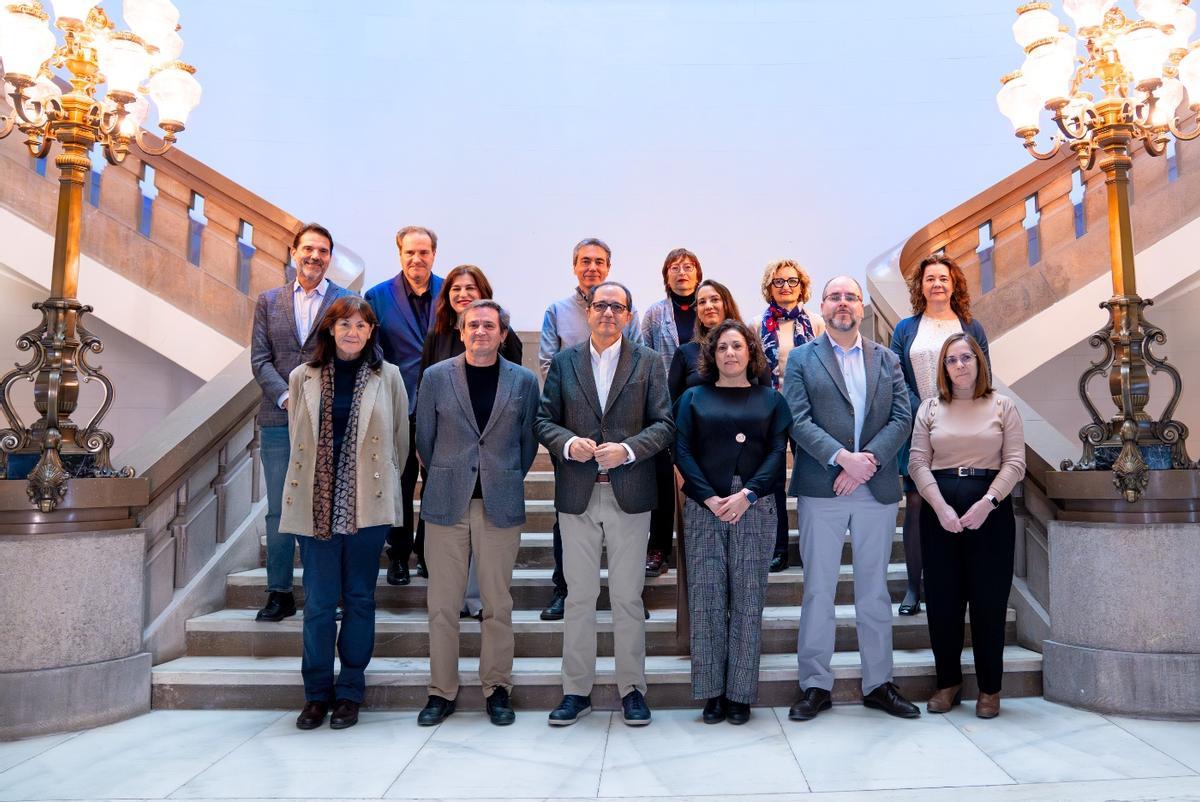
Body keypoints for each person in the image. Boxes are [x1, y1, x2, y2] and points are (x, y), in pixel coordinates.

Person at [535, 281, 673, 727]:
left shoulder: (649, 363)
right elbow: (543, 419)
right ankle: (576, 690)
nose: (608, 312)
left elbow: (665, 424)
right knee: (579, 597)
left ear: (629, 315)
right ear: (588, 312)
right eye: (601, 305)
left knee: (628, 597)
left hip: (629, 494)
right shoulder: (563, 361)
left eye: (617, 306)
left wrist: (629, 450)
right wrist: (568, 442)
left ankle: (632, 688)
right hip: (577, 494)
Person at [785, 276, 919, 722]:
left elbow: (903, 415)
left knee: (874, 591)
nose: (843, 303)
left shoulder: (887, 359)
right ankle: (814, 685)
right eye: (835, 296)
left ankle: (878, 683)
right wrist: (842, 459)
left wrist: (869, 461)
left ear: (861, 308)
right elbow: (797, 419)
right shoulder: (802, 359)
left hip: (875, 487)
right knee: (818, 590)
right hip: (822, 488)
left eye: (851, 297)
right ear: (821, 306)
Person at [280, 296, 409, 731]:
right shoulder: (304, 376)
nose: (353, 332)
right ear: (330, 329)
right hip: (315, 503)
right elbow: (299, 433)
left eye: (361, 325)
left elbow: (399, 443)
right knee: (318, 603)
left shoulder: (387, 377)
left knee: (359, 599)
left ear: (371, 332)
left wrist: (379, 486)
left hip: (367, 505)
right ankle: (317, 694)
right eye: (345, 324)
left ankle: (350, 690)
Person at [415, 300, 539, 727]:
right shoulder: (435, 377)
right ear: (462, 331)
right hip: (446, 503)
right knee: (443, 606)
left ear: (503, 334)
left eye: (490, 325)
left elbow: (526, 445)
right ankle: (441, 691)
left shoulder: (523, 381)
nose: (481, 331)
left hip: (499, 504)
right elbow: (425, 441)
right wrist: (452, 474)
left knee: (497, 603)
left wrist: (501, 477)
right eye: (473, 325)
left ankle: (497, 688)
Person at [674, 320, 791, 725]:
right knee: (706, 597)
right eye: (722, 347)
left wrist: (748, 495)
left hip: (754, 505)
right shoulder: (692, 397)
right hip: (705, 504)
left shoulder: (771, 400)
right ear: (712, 355)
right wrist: (707, 497)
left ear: (750, 353)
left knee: (747, 599)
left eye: (737, 346)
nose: (729, 353)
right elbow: (682, 450)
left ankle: (740, 693)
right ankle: (711, 693)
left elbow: (778, 451)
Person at [908, 333, 1024, 719]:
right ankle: (948, 682)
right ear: (944, 367)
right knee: (943, 601)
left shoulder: (1003, 406)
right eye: (952, 360)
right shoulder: (929, 408)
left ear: (979, 362)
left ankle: (990, 688)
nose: (959, 365)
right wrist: (939, 506)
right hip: (939, 510)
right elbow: (918, 462)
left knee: (989, 602)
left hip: (989, 511)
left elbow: (1015, 463)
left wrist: (988, 503)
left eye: (966, 358)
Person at [249, 223, 354, 623]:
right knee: (280, 509)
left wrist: (321, 399)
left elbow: (354, 353)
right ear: (294, 253)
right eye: (308, 249)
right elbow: (260, 358)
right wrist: (287, 396)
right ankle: (279, 591)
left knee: (329, 506)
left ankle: (327, 591)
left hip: (331, 420)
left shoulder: (346, 301)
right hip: (279, 419)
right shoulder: (268, 301)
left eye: (323, 251)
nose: (315, 256)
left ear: (330, 257)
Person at [536, 238, 641, 621]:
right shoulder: (557, 311)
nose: (591, 267)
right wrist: (572, 420)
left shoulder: (625, 307)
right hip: (570, 429)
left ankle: (625, 595)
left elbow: (637, 362)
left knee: (623, 511)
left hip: (620, 430)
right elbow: (548, 362)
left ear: (608, 266)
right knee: (571, 508)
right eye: (585, 261)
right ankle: (564, 589)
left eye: (599, 261)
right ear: (574, 265)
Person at [419, 264, 524, 620]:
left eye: (470, 287)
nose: (463, 294)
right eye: (456, 288)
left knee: (495, 592)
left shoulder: (513, 359)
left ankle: (478, 604)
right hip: (449, 472)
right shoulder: (436, 342)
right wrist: (443, 465)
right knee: (443, 598)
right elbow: (426, 432)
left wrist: (505, 468)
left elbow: (522, 432)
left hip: (496, 476)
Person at [889, 255, 990, 616]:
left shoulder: (971, 326)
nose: (936, 284)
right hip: (918, 427)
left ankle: (954, 587)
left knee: (959, 500)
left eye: (943, 278)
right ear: (921, 286)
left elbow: (984, 377)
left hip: (963, 428)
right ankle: (914, 587)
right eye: (929, 278)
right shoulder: (904, 329)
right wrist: (926, 411)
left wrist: (955, 411)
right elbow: (896, 378)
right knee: (917, 505)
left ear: (953, 284)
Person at [365, 226, 444, 587]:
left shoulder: (450, 292)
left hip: (443, 406)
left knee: (437, 482)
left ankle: (428, 553)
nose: (417, 259)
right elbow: (373, 353)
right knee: (398, 483)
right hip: (396, 406)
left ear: (433, 254)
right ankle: (397, 555)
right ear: (399, 254)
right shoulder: (377, 296)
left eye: (424, 252)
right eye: (410, 253)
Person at [758, 259, 825, 573]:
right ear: (769, 287)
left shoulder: (816, 322)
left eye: (792, 281)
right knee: (772, 482)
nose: (785, 286)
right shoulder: (756, 323)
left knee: (810, 476)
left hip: (806, 409)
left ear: (802, 286)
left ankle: (814, 544)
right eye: (779, 282)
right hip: (770, 409)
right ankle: (778, 547)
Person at [639, 248, 702, 577]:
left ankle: (698, 545)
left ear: (697, 273)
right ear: (666, 276)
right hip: (664, 406)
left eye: (688, 267)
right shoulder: (654, 313)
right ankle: (659, 546)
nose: (682, 273)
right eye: (674, 268)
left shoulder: (709, 308)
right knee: (663, 480)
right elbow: (644, 359)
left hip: (704, 410)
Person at [668, 279, 770, 403]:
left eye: (715, 299)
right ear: (697, 312)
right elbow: (672, 405)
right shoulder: (685, 352)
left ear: (727, 305)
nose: (708, 306)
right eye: (702, 302)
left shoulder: (750, 347)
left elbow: (767, 396)